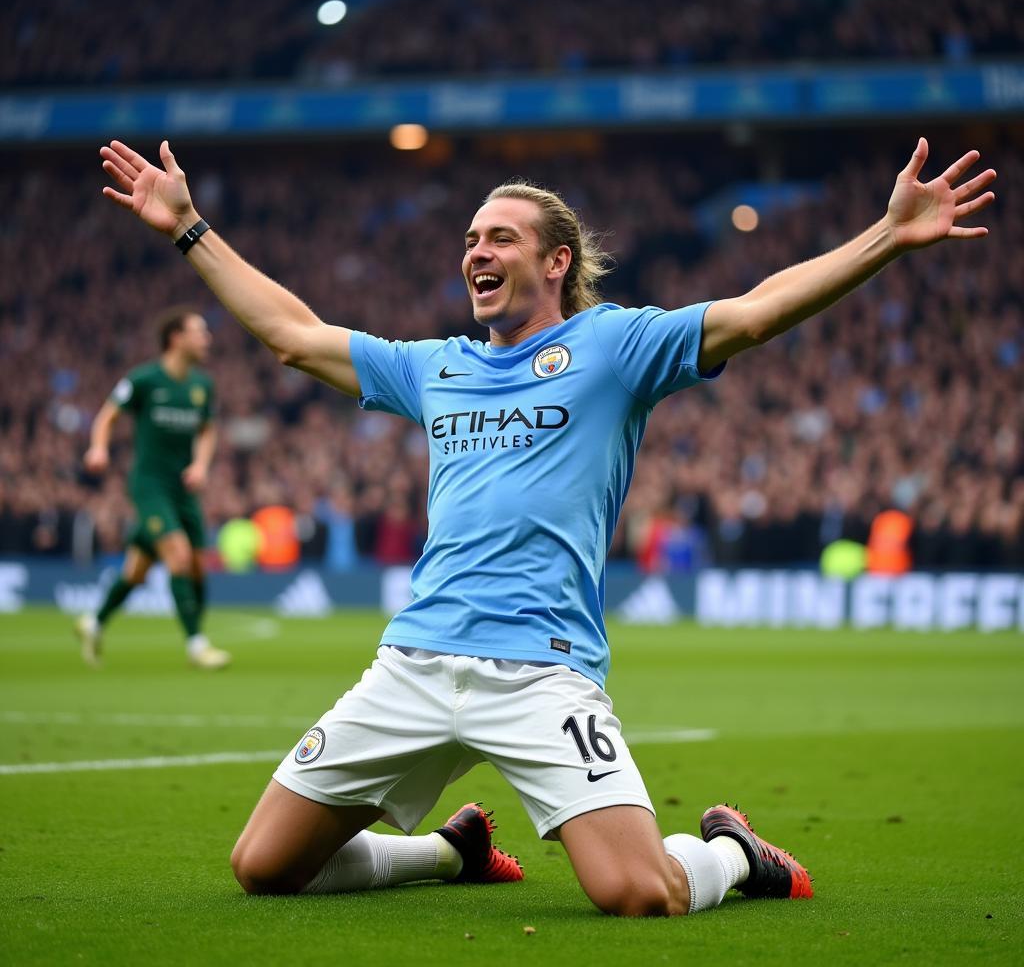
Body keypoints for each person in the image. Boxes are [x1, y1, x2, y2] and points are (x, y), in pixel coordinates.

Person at [99, 136, 993, 914]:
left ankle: (731, 855)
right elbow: (295, 336)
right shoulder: (433, 366)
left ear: (556, 261)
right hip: (413, 663)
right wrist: (189, 229)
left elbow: (754, 314)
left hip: (543, 672)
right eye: (470, 240)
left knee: (639, 894)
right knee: (263, 869)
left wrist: (887, 237)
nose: (476, 253)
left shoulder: (616, 346)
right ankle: (452, 853)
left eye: (500, 238)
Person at [76, 307, 231, 670]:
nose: (207, 338)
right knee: (177, 556)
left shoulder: (202, 386)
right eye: (199, 331)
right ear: (176, 338)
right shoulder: (144, 380)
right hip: (149, 486)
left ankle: (93, 623)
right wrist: (98, 447)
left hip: (183, 490)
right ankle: (196, 646)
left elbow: (208, 429)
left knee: (146, 570)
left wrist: (201, 464)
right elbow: (107, 416)